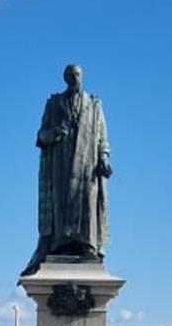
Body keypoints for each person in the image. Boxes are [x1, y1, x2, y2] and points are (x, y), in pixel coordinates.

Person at [22, 63, 113, 276]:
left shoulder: (94, 104)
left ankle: (87, 245)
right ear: (65, 79)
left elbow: (102, 138)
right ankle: (60, 244)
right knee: (61, 205)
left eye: (78, 75)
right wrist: (55, 133)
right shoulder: (54, 104)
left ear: (82, 77)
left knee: (87, 205)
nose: (75, 79)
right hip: (61, 168)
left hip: (87, 167)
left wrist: (103, 158)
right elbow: (40, 136)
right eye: (71, 76)